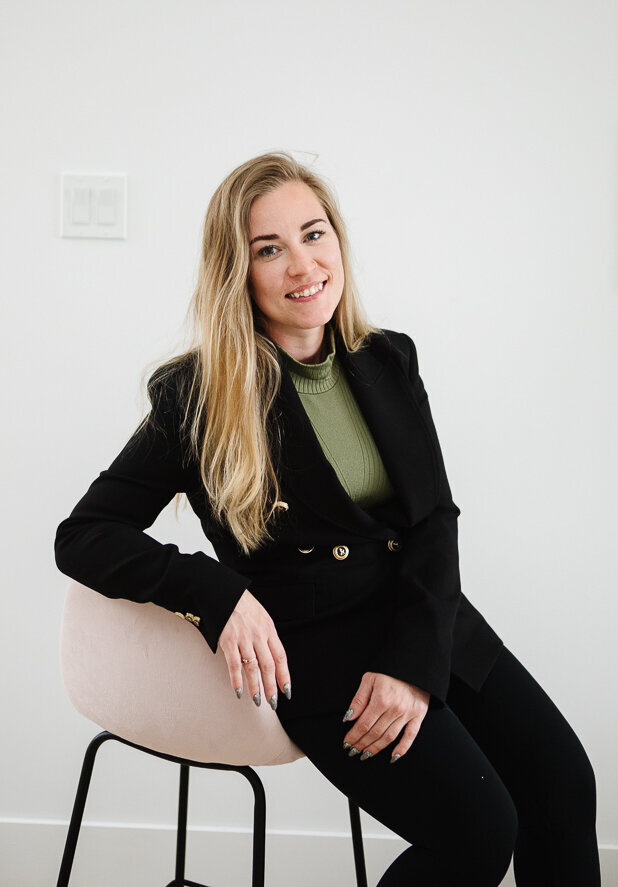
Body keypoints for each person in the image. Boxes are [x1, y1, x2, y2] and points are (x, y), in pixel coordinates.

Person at [54, 151, 601, 886]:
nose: (302, 263)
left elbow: (435, 519)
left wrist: (413, 660)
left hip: (427, 619)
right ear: (237, 273)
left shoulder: (387, 359)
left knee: (564, 786)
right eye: (269, 248)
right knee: (477, 830)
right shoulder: (199, 395)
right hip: (323, 653)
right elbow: (84, 534)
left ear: (338, 240)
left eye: (314, 234)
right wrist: (217, 592)